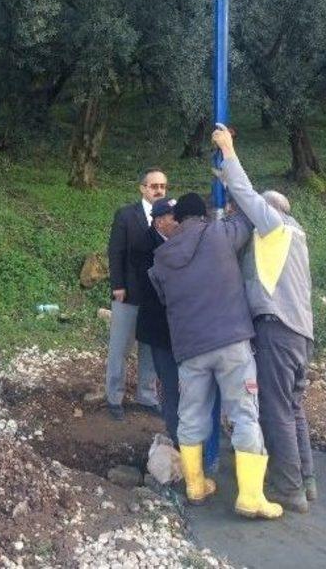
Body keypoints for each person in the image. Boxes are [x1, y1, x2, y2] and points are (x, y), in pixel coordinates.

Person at [148, 192, 283, 519]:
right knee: (243, 414)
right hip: (231, 341)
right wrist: (232, 194)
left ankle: (196, 486)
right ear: (204, 214)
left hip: (191, 350)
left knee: (191, 415)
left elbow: (164, 297)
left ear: (177, 220)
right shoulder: (220, 234)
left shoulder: (161, 258)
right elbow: (251, 216)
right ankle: (250, 497)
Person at [213, 123, 316, 513]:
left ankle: (288, 490)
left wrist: (229, 152)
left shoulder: (275, 227)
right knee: (292, 407)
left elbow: (246, 195)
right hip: (299, 335)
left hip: (278, 331)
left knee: (274, 410)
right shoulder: (295, 237)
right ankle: (307, 480)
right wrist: (221, 175)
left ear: (270, 212)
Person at [106, 168, 167, 420]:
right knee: (120, 347)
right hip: (128, 292)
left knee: (150, 349)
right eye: (154, 186)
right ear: (142, 188)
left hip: (155, 296)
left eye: (163, 186)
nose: (159, 190)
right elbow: (115, 251)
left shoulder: (168, 217)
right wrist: (117, 285)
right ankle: (114, 397)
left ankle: (147, 396)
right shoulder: (126, 215)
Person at [135, 197, 180, 446]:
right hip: (157, 321)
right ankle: (173, 425)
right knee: (164, 374)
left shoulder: (174, 241)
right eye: (174, 219)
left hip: (175, 323)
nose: (177, 223)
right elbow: (149, 284)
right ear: (160, 221)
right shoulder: (145, 243)